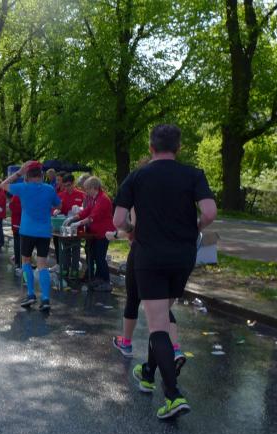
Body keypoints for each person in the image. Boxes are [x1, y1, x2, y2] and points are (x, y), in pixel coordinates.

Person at [113, 124, 217, 419]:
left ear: (151, 148)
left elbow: (118, 219)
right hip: (183, 256)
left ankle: (173, 395)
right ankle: (148, 371)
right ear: (178, 148)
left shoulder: (137, 177)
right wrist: (196, 227)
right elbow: (209, 212)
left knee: (157, 324)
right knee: (162, 314)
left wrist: (131, 230)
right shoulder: (193, 174)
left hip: (151, 255)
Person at [107, 224, 187, 374]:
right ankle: (175, 349)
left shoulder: (142, 206)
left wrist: (115, 235)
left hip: (144, 252)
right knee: (162, 306)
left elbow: (132, 227)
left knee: (133, 298)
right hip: (174, 253)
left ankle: (127, 344)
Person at [1, 160, 61, 311]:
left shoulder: (23, 187)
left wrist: (18, 173)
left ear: (27, 175)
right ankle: (45, 299)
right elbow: (58, 205)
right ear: (41, 174)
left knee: (26, 262)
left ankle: (31, 294)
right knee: (42, 265)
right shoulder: (49, 189)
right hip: (44, 232)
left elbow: (3, 185)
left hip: (27, 230)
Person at [65, 176, 115, 291]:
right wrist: (74, 218)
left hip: (103, 233)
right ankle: (98, 278)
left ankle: (106, 281)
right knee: (95, 256)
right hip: (95, 232)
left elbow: (93, 216)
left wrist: (78, 223)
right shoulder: (95, 198)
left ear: (93, 188)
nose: (85, 191)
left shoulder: (103, 199)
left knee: (100, 257)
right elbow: (87, 210)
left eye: (87, 189)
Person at [54, 174, 85, 279]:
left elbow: (87, 209)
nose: (67, 188)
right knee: (64, 248)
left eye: (69, 185)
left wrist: (80, 210)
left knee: (76, 248)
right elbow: (55, 207)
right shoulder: (61, 195)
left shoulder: (81, 195)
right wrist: (56, 211)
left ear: (73, 183)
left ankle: (75, 270)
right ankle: (65, 268)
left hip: (77, 226)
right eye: (65, 186)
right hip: (65, 225)